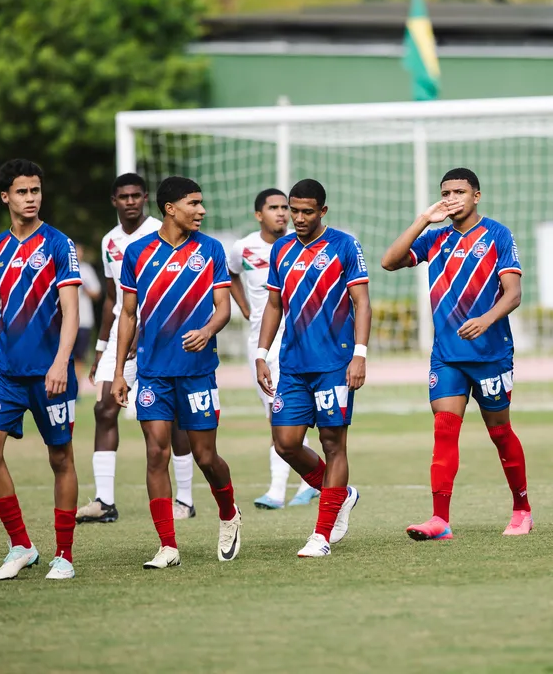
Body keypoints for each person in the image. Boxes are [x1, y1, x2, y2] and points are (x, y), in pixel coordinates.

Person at [381, 167, 532, 541]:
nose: (451, 198)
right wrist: (421, 220)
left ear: (476, 196)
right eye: (446, 192)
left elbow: (513, 294)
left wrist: (486, 318)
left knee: (499, 432)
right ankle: (440, 520)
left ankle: (522, 508)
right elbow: (389, 261)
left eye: (459, 191)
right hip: (447, 357)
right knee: (444, 432)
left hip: (491, 354)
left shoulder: (497, 234)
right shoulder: (435, 239)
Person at [112, 176, 241, 569]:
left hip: (198, 372)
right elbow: (128, 314)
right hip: (152, 372)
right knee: (156, 453)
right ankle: (168, 545)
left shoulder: (212, 250)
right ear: (170, 208)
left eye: (201, 204)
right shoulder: (137, 252)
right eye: (194, 204)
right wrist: (120, 372)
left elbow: (223, 307)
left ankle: (229, 514)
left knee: (205, 457)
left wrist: (206, 331)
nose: (201, 211)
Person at [0, 158, 82, 580]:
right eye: (22, 192)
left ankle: (64, 555)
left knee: (60, 457)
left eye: (35, 191)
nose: (31, 199)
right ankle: (21, 545)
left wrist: (60, 362)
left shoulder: (59, 244)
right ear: (6, 197)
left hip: (50, 373)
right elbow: (2, 307)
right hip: (6, 372)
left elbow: (72, 313)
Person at [255, 178, 369, 557]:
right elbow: (274, 305)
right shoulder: (281, 249)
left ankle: (320, 535)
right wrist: (260, 353)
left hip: (334, 365)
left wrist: (360, 354)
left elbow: (362, 302)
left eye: (307, 211)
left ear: (323, 211)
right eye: (293, 210)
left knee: (333, 444)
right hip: (292, 365)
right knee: (285, 442)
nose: (298, 218)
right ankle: (341, 495)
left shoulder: (344, 245)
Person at [78, 174, 196, 526]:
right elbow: (113, 298)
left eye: (135, 195)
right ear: (114, 200)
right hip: (121, 331)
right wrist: (103, 346)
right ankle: (104, 500)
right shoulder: (110, 241)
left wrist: (143, 331)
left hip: (162, 330)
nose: (130, 201)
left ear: (145, 198)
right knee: (104, 409)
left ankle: (185, 499)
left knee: (172, 416)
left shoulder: (165, 231)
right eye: (122, 196)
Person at [228, 188, 319, 510]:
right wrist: (244, 308)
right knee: (275, 413)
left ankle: (279, 490)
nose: (281, 213)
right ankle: (307, 483)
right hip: (260, 341)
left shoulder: (299, 246)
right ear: (258, 214)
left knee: (281, 412)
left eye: (285, 207)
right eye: (274, 208)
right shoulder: (244, 248)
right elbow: (230, 274)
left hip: (296, 341)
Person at [74, 244, 102, 366]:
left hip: (84, 320)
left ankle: (77, 384)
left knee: (80, 356)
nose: (78, 255)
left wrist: (86, 290)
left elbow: (97, 293)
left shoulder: (87, 270)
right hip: (64, 320)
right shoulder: (62, 268)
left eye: (80, 252)